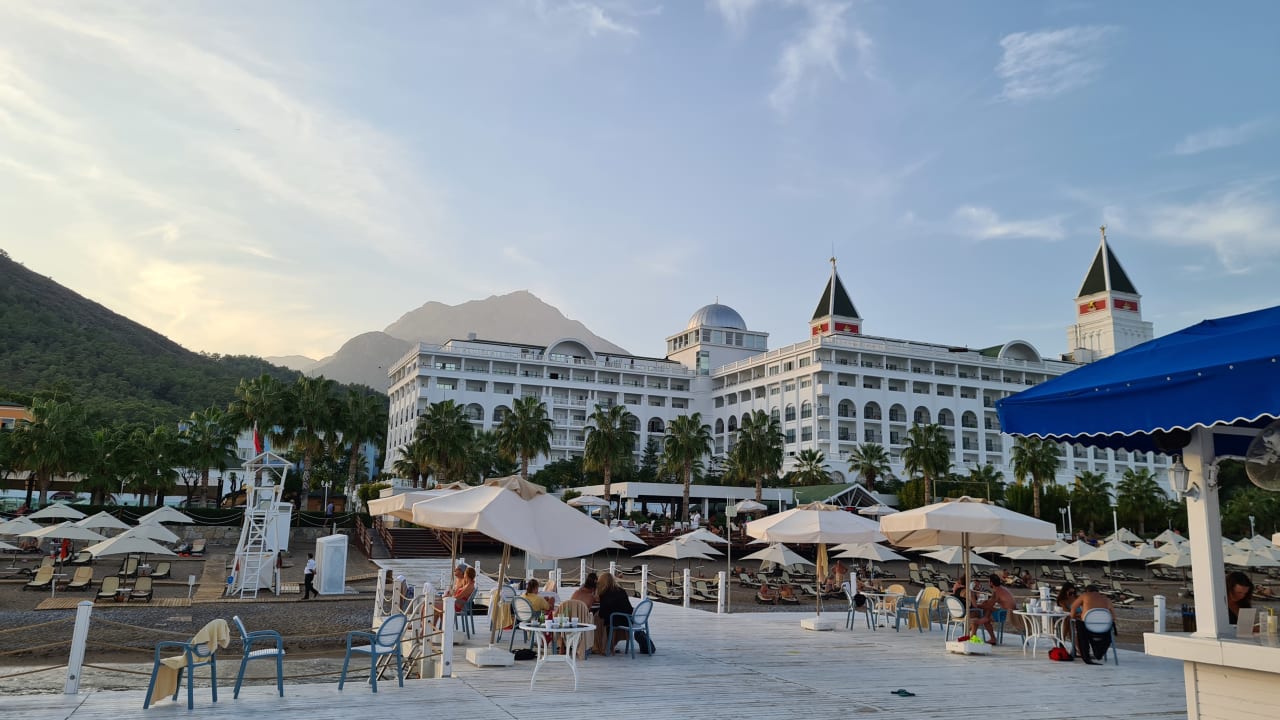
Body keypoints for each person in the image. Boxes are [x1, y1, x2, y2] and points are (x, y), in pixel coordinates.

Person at [1069, 584, 1115, 664]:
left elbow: (1073, 607)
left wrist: (1073, 617)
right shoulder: (1107, 599)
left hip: (1087, 628)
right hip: (1103, 629)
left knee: (1079, 625)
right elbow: (1113, 617)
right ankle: (1099, 653)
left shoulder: (1085, 596)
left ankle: (1086, 656)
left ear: (1087, 591)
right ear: (1097, 591)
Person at [969, 573, 1016, 644]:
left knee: (981, 615)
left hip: (1005, 614)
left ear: (991, 583)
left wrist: (977, 605)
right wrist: (984, 603)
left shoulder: (996, 592)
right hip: (1010, 612)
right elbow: (990, 603)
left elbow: (989, 605)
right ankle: (980, 624)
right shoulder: (1002, 589)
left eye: (989, 581)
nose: (988, 583)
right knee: (987, 610)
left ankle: (976, 631)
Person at [595, 573, 633, 653]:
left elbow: (602, 613)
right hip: (627, 619)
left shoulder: (605, 593)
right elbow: (629, 608)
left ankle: (600, 644)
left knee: (596, 618)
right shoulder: (621, 590)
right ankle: (609, 643)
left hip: (616, 620)